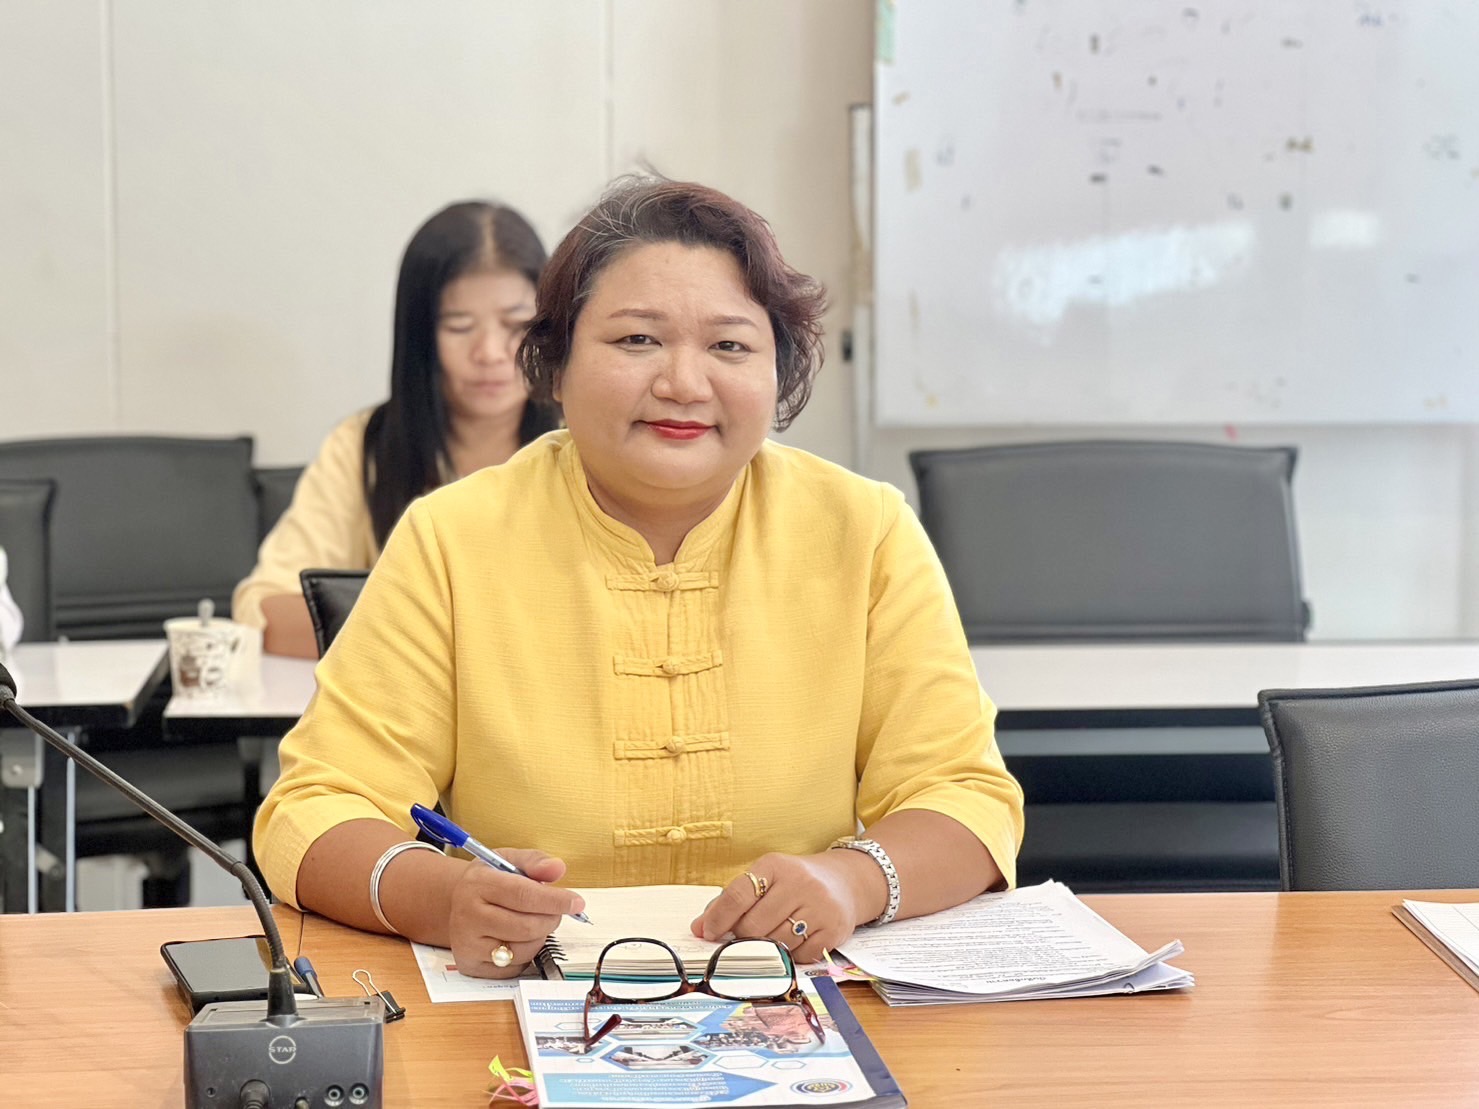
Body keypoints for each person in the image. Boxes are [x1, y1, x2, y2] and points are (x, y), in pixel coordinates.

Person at [253, 177, 1024, 978]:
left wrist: (852, 878)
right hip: (527, 1003)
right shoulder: (452, 537)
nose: (684, 384)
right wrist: (441, 896)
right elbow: (311, 811)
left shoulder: (864, 530)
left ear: (779, 372)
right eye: (636, 341)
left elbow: (966, 794)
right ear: (551, 364)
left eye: (729, 345)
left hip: (802, 993)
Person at [232, 201, 558, 657]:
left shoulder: (585, 440)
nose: (489, 352)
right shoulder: (365, 445)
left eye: (516, 324)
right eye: (459, 325)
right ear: (419, 337)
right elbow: (261, 607)